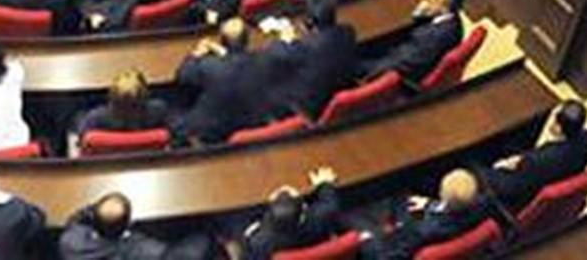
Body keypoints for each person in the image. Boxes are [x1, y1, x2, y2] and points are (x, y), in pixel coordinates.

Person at [253, 0, 356, 122]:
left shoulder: (304, 48)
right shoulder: (348, 32)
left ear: (308, 24)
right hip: (338, 87)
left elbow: (273, 52)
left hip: (311, 107)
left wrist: (286, 38)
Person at [360, 168, 488, 260]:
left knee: (351, 219)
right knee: (401, 194)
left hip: (393, 245)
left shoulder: (421, 229)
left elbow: (388, 255)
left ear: (441, 193)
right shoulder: (482, 206)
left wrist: (367, 239)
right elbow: (452, 212)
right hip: (437, 226)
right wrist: (429, 205)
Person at [486, 100, 587, 212]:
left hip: (520, 200)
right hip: (554, 180)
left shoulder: (537, 161)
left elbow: (510, 188)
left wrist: (500, 166)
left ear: (558, 128)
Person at [173, 17, 257, 145]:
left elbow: (182, 76)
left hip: (211, 129)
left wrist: (196, 54)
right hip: (248, 120)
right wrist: (224, 53)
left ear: (222, 40)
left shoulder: (209, 66)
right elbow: (237, 60)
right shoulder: (262, 59)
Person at [361, 0, 463, 84]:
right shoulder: (452, 19)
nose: (428, 0)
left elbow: (408, 62)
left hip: (397, 68)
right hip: (402, 50)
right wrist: (418, 15)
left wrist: (372, 72)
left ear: (445, 9)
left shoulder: (437, 37)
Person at [239, 169, 344, 260]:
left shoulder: (257, 241)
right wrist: (324, 184)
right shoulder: (320, 219)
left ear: (268, 214)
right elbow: (330, 203)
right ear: (304, 208)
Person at [59, 192, 195, 260]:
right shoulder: (149, 251)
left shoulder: (70, 244)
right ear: (129, 224)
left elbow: (75, 221)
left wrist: (93, 209)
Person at [71, 70, 171, 150]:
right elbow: (175, 139)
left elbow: (81, 143)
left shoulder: (94, 120)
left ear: (111, 98)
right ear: (145, 96)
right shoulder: (158, 112)